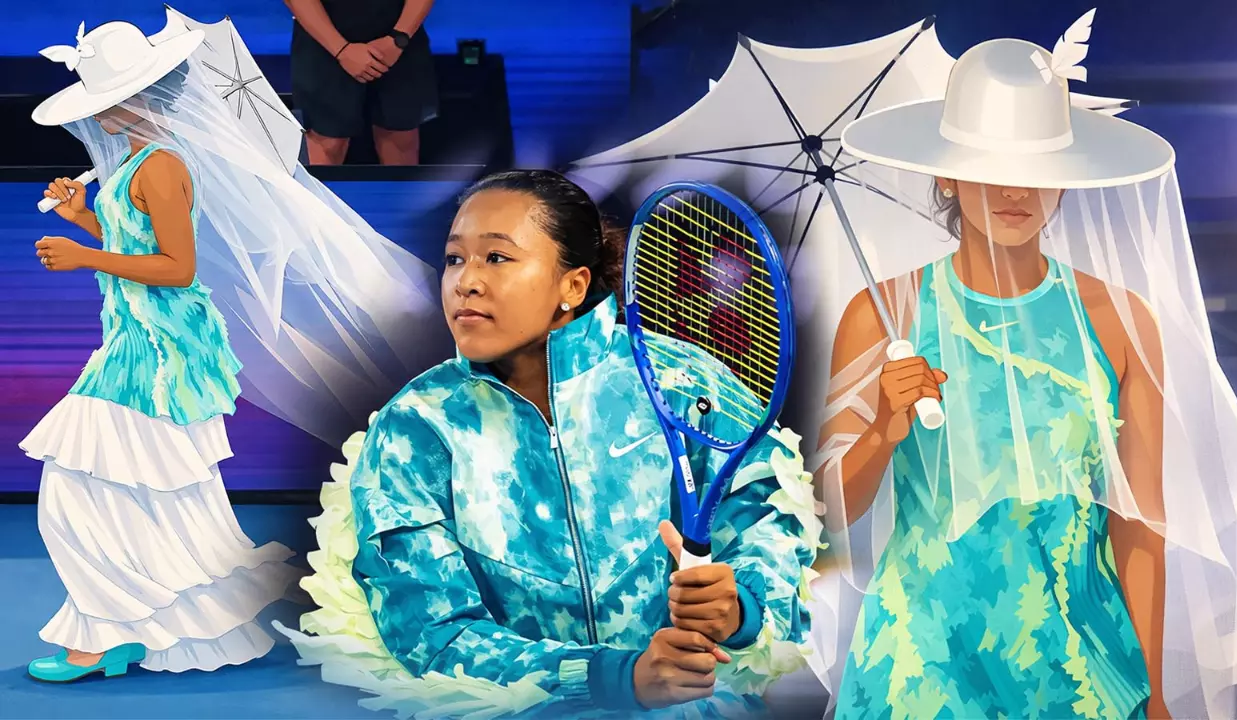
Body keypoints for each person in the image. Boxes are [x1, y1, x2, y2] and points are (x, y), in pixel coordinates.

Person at [808, 21, 1237, 720]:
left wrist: (1149, 691)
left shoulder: (1120, 321)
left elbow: (1139, 524)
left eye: (1036, 168)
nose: (1015, 191)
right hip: (923, 662)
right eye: (989, 164)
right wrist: (881, 430)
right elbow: (828, 512)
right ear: (946, 170)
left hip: (1081, 664)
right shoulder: (883, 314)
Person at [274, 169, 824, 718]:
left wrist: (737, 609)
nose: (466, 281)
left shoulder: (683, 383)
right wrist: (616, 677)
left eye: (496, 257)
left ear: (574, 286)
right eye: (454, 259)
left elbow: (768, 521)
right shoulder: (416, 426)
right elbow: (431, 633)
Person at [23, 21, 302, 681]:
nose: (95, 114)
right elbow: (138, 251)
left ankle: (114, 634)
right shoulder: (138, 162)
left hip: (159, 352)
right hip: (133, 342)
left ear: (135, 98)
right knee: (133, 491)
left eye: (104, 98)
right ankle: (135, 632)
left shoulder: (165, 166)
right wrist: (84, 219)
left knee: (77, 491)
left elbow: (177, 267)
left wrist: (84, 253)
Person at [286, 0, 439, 165]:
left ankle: (404, 191)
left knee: (400, 139)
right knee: (328, 143)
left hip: (398, 38)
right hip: (323, 40)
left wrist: (398, 38)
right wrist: (341, 50)